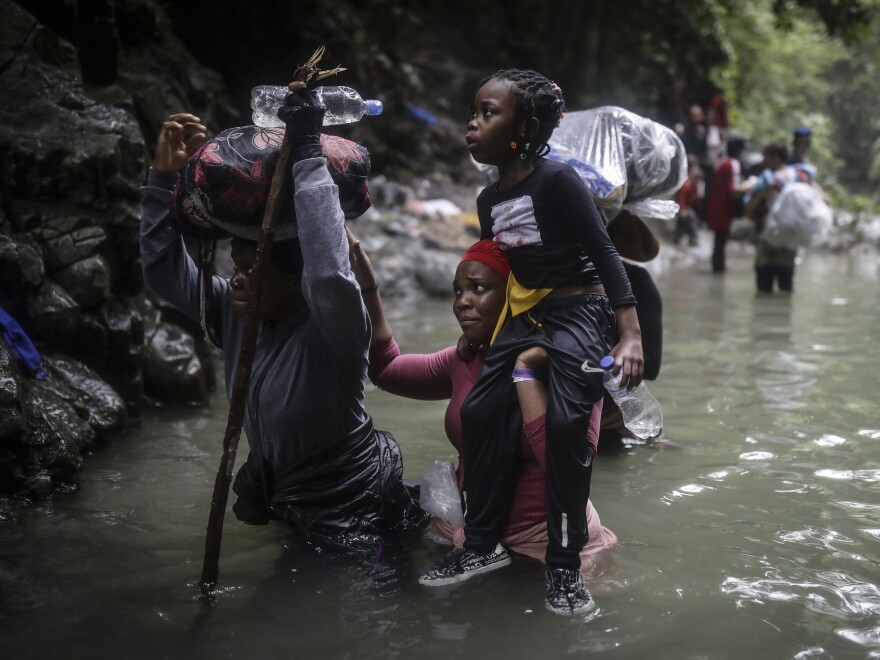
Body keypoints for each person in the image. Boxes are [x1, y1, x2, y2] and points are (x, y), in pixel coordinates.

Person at [139, 89, 422, 543]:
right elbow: (162, 270)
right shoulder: (236, 319)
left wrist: (309, 151)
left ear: (297, 280)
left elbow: (330, 272)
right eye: (236, 266)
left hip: (355, 506)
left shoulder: (333, 328)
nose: (236, 279)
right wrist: (162, 182)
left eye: (252, 269)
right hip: (289, 497)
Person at [417, 68, 643, 615]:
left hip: (582, 310)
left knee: (567, 425)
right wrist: (480, 336)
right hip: (531, 314)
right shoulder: (489, 199)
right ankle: (483, 544)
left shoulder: (559, 181)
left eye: (488, 113)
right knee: (479, 410)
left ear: (526, 127)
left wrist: (630, 333)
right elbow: (506, 277)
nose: (472, 124)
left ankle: (564, 569)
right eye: (474, 111)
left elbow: (606, 254)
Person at [348, 234, 617, 570]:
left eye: (478, 288)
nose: (462, 302)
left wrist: (525, 371)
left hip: (548, 545)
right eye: (457, 291)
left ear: (515, 297)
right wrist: (368, 289)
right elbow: (386, 370)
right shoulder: (463, 360)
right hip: (470, 537)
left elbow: (565, 465)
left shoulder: (568, 363)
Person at [744, 142, 814, 293]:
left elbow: (748, 212)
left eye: (766, 158)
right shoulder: (800, 177)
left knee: (764, 288)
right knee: (786, 287)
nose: (763, 162)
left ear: (775, 158)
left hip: (768, 238)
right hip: (790, 239)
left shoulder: (767, 180)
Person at [706, 135, 747, 273]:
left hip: (714, 206)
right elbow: (733, 189)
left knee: (718, 242)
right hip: (724, 209)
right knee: (721, 242)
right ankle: (719, 271)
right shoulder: (733, 164)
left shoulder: (720, 162)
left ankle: (717, 270)